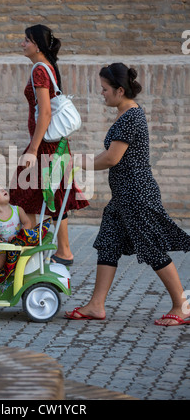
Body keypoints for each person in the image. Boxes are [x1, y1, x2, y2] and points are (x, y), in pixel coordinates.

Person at [65, 62, 190, 326]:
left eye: (104, 88)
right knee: (108, 243)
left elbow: (111, 158)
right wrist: (77, 158)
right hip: (123, 197)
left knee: (152, 248)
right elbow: (107, 157)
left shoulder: (131, 117)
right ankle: (96, 305)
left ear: (120, 90)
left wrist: (77, 161)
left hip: (137, 196)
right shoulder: (126, 116)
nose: (102, 93)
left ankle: (182, 305)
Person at [9, 24, 89, 265]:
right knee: (49, 194)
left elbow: (45, 113)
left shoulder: (39, 71)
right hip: (52, 144)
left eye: (26, 40)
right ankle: (56, 250)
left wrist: (32, 150)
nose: (22, 44)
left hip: (45, 146)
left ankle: (37, 249)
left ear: (37, 45)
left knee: (23, 193)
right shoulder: (48, 68)